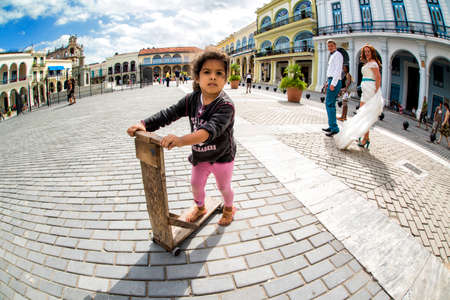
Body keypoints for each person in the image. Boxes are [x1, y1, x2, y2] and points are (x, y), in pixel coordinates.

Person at [127, 50, 237, 226]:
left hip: (222, 157)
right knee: (195, 185)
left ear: (225, 79)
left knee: (224, 187)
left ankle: (229, 208)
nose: (213, 77)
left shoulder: (226, 106)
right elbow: (169, 113)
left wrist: (180, 140)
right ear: (197, 77)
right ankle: (200, 208)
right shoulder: (192, 99)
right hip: (200, 156)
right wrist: (145, 124)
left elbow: (208, 132)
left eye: (219, 73)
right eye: (207, 72)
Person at [334, 44, 383, 149]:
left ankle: (365, 137)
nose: (366, 53)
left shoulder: (373, 63)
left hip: (371, 89)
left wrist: (375, 92)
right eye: (365, 52)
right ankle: (365, 137)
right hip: (365, 89)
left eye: (368, 51)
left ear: (372, 52)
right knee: (362, 113)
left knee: (365, 114)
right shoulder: (368, 63)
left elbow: (378, 78)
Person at [322, 40, 343, 137]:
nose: (329, 47)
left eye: (331, 45)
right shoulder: (332, 55)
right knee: (329, 104)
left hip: (335, 81)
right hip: (331, 80)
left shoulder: (338, 55)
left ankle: (334, 128)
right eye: (328, 46)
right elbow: (331, 70)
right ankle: (331, 126)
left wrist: (333, 83)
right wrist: (327, 82)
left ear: (335, 45)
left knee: (330, 104)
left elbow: (338, 70)